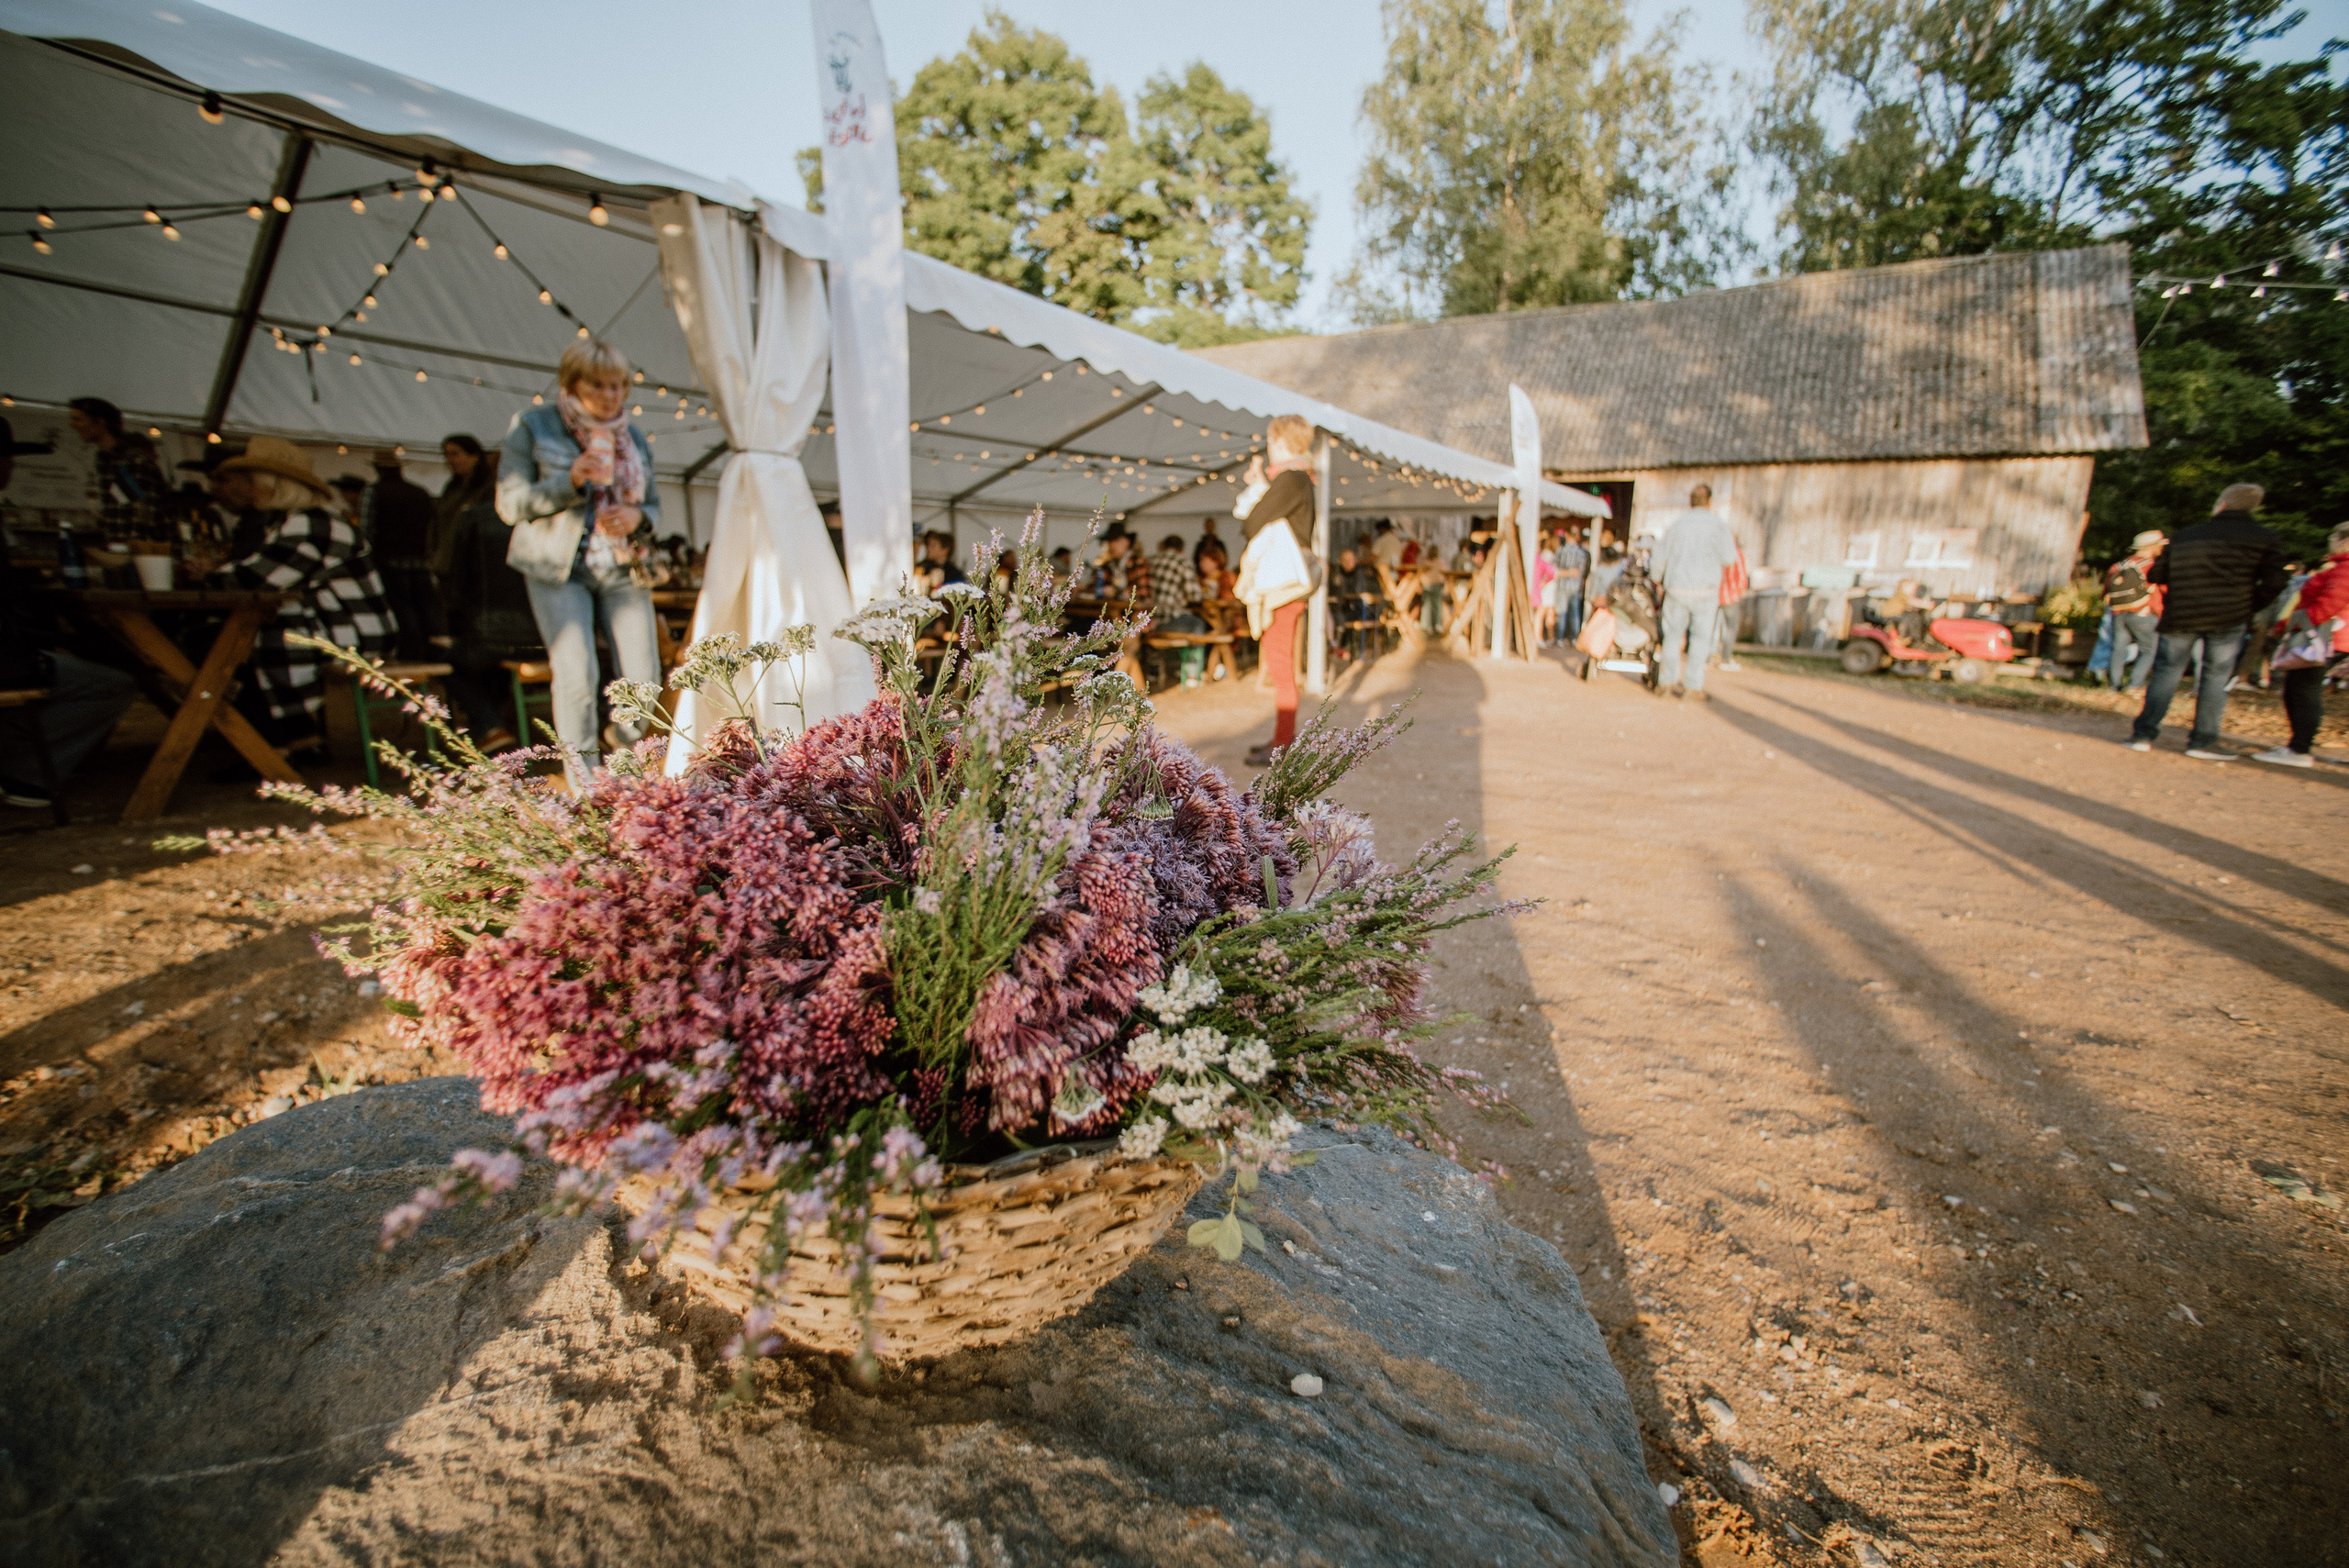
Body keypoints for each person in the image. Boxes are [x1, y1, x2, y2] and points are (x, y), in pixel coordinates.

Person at [496, 337, 664, 784]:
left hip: (623, 566)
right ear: (573, 383)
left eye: (618, 385)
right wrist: (569, 481)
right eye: (598, 384)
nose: (610, 395)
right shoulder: (534, 426)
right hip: (558, 569)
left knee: (644, 681)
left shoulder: (635, 439)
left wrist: (637, 515)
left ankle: (626, 762)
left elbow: (655, 507)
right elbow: (509, 506)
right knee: (577, 676)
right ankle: (585, 787)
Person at [193, 436, 397, 762]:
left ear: (274, 485)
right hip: (337, 624)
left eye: (253, 483)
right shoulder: (297, 521)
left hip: (353, 631)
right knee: (239, 637)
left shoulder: (313, 523)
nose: (249, 491)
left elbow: (257, 579)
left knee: (231, 642)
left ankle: (269, 745)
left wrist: (206, 575)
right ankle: (295, 739)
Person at [2128, 483, 2287, 759]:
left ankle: (2143, 734)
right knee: (2215, 675)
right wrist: (2250, 604)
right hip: (2229, 615)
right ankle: (2203, 741)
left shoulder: (2186, 535)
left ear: (2221, 505)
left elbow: (2156, 575)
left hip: (2182, 614)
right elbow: (2276, 580)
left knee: (2167, 671)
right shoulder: (2264, 538)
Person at [1232, 414, 1319, 764]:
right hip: (1289, 586)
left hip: (1283, 587)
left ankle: (1281, 746)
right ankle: (1283, 738)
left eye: (1271, 441)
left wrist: (1259, 490)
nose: (1268, 448)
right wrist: (1259, 485)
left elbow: (1252, 522)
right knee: (1281, 664)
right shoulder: (1301, 480)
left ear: (1281, 441)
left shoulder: (1291, 478)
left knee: (1281, 667)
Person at [2252, 523, 2349, 767]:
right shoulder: (2340, 567)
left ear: (2343, 540)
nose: (2330, 540)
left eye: (2333, 536)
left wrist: (2291, 625)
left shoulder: (2344, 570)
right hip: (2327, 636)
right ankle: (2298, 745)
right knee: (2300, 691)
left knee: (2303, 692)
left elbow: (2328, 606)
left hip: (2324, 637)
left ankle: (2299, 749)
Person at [1652, 484, 1740, 700]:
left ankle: (1666, 683)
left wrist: (1657, 579)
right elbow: (1729, 558)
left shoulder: (1677, 526)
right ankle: (1692, 686)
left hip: (1677, 588)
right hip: (1705, 590)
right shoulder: (1719, 526)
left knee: (1672, 636)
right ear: (1709, 502)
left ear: (1690, 501)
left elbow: (1659, 558)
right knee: (1700, 639)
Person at [357, 449, 442, 662]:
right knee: (428, 610)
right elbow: (434, 527)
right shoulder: (420, 492)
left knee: (401, 609)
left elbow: (366, 530)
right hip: (421, 561)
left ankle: (411, 655)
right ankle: (436, 653)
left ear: (378, 469)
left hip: (390, 561)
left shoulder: (374, 491)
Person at [65, 397, 168, 541]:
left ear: (100, 422)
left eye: (78, 419)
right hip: (120, 549)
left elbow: (146, 514)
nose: (73, 425)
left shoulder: (133, 461)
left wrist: (129, 552)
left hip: (140, 555)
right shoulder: (104, 460)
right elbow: (118, 508)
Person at [2104, 530, 2166, 692]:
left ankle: (2113, 684)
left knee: (2118, 648)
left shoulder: (2118, 566)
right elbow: (2164, 590)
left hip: (2118, 614)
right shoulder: (2151, 567)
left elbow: (2105, 593)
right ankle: (2134, 684)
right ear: (2151, 547)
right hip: (2143, 613)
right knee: (2149, 650)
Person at [432, 434, 496, 582]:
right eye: (447, 454)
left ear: (474, 456)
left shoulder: (488, 488)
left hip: (472, 567)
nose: (450, 460)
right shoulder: (451, 488)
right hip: (444, 564)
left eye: (455, 454)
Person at [1151, 533, 1208, 685]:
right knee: (1198, 625)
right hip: (1169, 620)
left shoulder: (1152, 560)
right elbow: (1194, 595)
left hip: (1148, 621)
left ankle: (1153, 671)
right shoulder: (1183, 562)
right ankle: (1192, 673)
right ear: (1181, 549)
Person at [1552, 525, 1589, 643]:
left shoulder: (1560, 551)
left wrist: (1564, 573)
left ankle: (1559, 638)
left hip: (1562, 585)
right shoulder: (1581, 553)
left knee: (1562, 612)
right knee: (1574, 613)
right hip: (1574, 586)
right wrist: (1571, 573)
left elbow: (1554, 569)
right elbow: (1579, 572)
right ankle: (1574, 638)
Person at [917, 529, 966, 594]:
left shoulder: (954, 573)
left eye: (933, 545)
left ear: (945, 550)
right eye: (928, 545)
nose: (928, 548)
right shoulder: (922, 567)